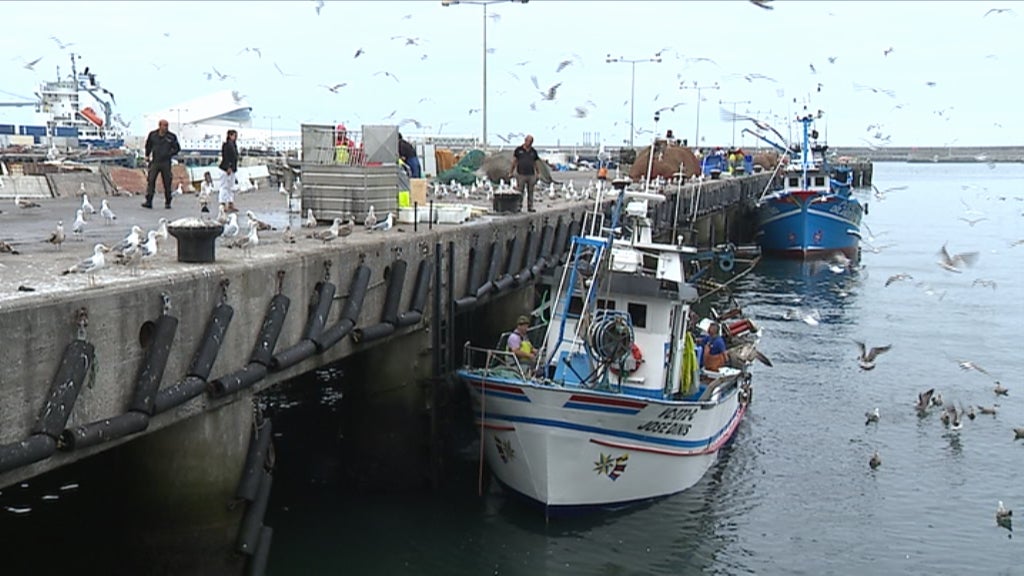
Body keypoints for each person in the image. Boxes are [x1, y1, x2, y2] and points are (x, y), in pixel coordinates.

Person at [143, 119, 181, 209]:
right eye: (164, 125)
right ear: (159, 126)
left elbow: (177, 148)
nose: (166, 128)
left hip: (166, 162)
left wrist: (169, 154)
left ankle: (168, 202)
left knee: (167, 182)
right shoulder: (153, 135)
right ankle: (149, 201)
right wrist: (147, 155)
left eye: (167, 126)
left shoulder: (171, 137)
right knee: (151, 180)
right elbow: (148, 145)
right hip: (155, 161)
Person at [510, 134, 541, 212]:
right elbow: (514, 161)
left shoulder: (533, 152)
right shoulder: (518, 150)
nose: (529, 143)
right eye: (528, 141)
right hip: (521, 174)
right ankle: (518, 207)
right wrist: (511, 171)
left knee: (531, 191)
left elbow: (536, 163)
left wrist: (538, 173)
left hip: (531, 174)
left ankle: (530, 207)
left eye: (531, 142)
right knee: (520, 191)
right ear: (525, 141)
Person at [218, 129, 239, 213]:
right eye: (234, 135)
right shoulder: (227, 145)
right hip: (226, 169)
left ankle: (230, 203)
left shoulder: (233, 145)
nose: (236, 137)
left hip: (232, 168)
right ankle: (222, 204)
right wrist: (228, 167)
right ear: (230, 135)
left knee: (230, 187)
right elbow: (226, 156)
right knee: (224, 187)